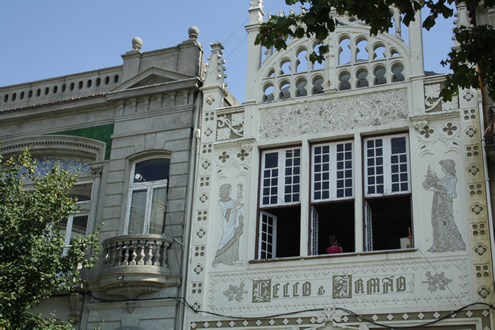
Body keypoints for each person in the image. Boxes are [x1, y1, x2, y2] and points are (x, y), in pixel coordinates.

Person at [423, 160, 466, 252]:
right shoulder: (443, 179)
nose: (442, 168)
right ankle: (439, 245)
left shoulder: (452, 179)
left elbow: (450, 193)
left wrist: (435, 189)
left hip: (445, 203)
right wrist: (433, 176)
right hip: (437, 202)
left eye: (443, 166)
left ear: (447, 167)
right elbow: (433, 185)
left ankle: (454, 244)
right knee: (437, 222)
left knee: (447, 221)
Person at [212, 183, 244, 267]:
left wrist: (240, 193)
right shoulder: (221, 201)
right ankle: (217, 259)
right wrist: (237, 208)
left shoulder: (231, 200)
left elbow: (235, 204)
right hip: (227, 223)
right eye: (229, 189)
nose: (230, 191)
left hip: (234, 222)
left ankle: (230, 259)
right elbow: (226, 212)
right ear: (225, 190)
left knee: (234, 239)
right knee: (225, 239)